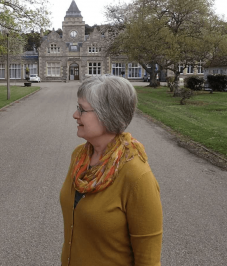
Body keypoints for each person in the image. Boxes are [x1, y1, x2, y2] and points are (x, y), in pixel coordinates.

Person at [60, 76, 163, 266]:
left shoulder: (137, 176)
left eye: (82, 109)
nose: (75, 114)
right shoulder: (79, 157)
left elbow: (148, 259)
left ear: (107, 115)